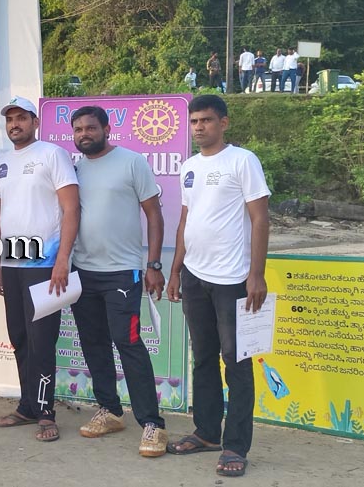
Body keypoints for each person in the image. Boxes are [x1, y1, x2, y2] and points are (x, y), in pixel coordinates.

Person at [166, 95, 270, 478]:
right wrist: (176, 270)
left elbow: (260, 219)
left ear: (223, 123)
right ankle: (207, 432)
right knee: (203, 357)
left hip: (233, 279)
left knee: (236, 362)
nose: (199, 127)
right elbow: (185, 220)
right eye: (194, 121)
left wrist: (256, 274)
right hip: (195, 275)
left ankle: (236, 446)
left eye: (206, 120)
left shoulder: (243, 160)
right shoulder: (189, 166)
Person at [68, 106, 168, 457]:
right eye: (78, 129)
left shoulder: (132, 162)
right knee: (93, 343)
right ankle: (110, 410)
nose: (84, 134)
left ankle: (152, 423)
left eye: (90, 128)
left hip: (123, 272)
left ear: (107, 129)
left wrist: (153, 264)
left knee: (129, 343)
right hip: (83, 271)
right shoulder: (74, 169)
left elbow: (154, 214)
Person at [0, 96, 79, 442]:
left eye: (21, 118)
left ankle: (45, 412)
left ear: (35, 122)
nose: (15, 124)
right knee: (20, 337)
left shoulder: (52, 154)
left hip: (45, 264)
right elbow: (0, 216)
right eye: (10, 119)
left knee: (42, 340)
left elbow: (71, 209)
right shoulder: (1, 163)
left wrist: (62, 259)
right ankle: (27, 406)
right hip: (11, 264)